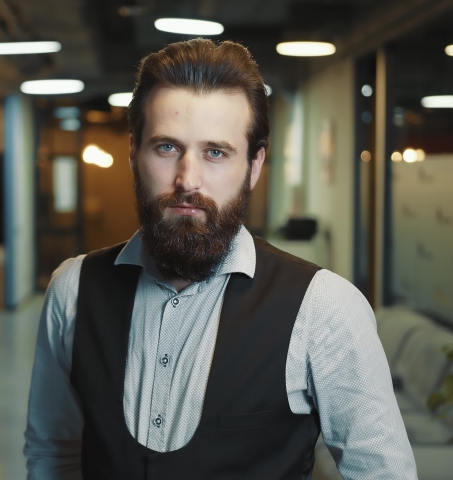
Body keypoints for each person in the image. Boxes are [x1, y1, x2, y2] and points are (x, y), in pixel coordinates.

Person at [24, 38, 417, 479]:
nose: (187, 179)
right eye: (167, 147)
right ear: (133, 152)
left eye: (216, 152)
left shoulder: (323, 307)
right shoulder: (73, 290)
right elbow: (53, 454)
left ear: (253, 165)